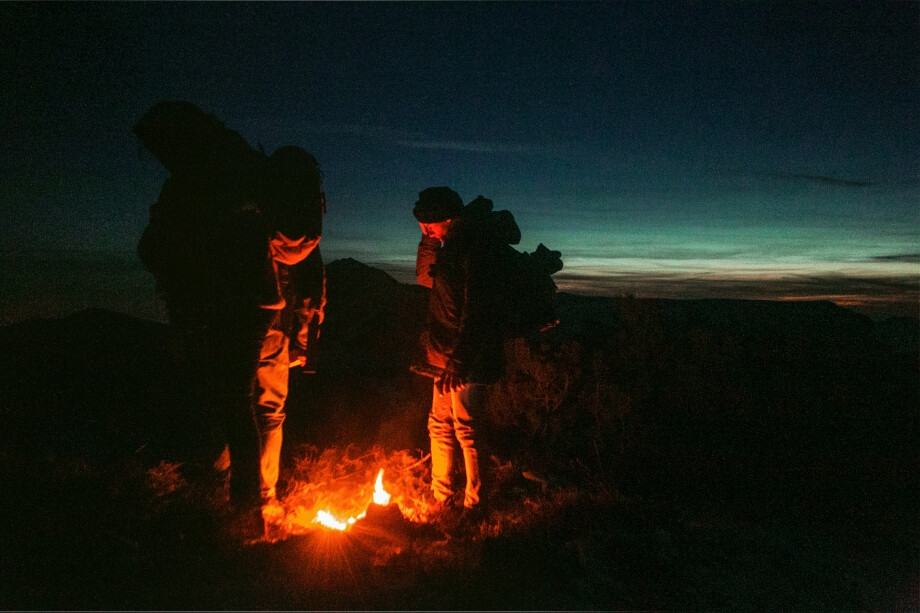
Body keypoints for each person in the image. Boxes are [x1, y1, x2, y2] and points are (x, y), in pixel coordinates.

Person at [135, 102, 325, 539]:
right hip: (274, 307)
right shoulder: (257, 172)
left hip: (227, 309)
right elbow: (309, 261)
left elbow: (158, 249)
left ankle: (243, 510)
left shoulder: (198, 180)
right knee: (269, 411)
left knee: (231, 404)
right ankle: (266, 495)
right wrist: (303, 329)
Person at [411, 187, 520, 522]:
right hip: (443, 355)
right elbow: (423, 279)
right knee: (439, 426)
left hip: (465, 359)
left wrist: (459, 361)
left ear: (449, 218)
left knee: (466, 428)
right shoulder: (449, 248)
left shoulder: (473, 249)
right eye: (422, 225)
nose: (426, 230)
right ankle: (440, 498)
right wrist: (428, 241)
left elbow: (477, 310)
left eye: (431, 225)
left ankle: (475, 504)